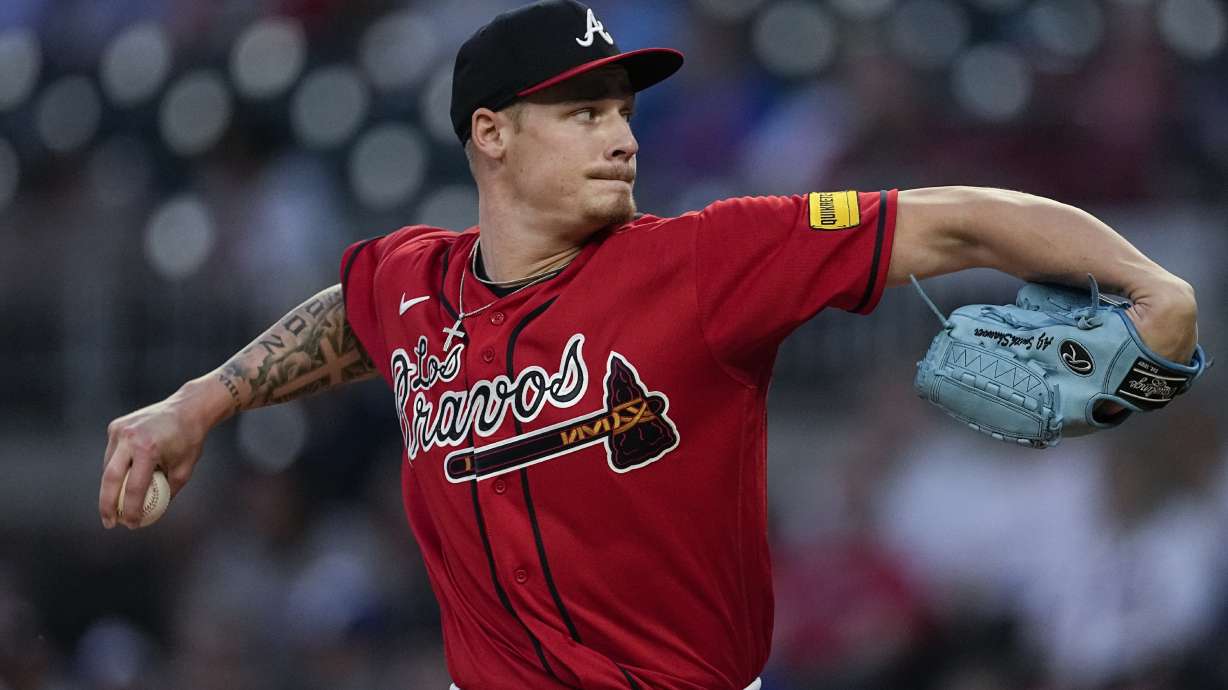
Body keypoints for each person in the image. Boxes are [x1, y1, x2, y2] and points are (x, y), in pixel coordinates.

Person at [98, 2, 1200, 688]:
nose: (621, 136)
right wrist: (200, 401)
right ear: (491, 134)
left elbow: (953, 217)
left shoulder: (708, 261)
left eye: (621, 109)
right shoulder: (411, 281)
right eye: (580, 113)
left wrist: (1148, 284)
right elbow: (350, 319)